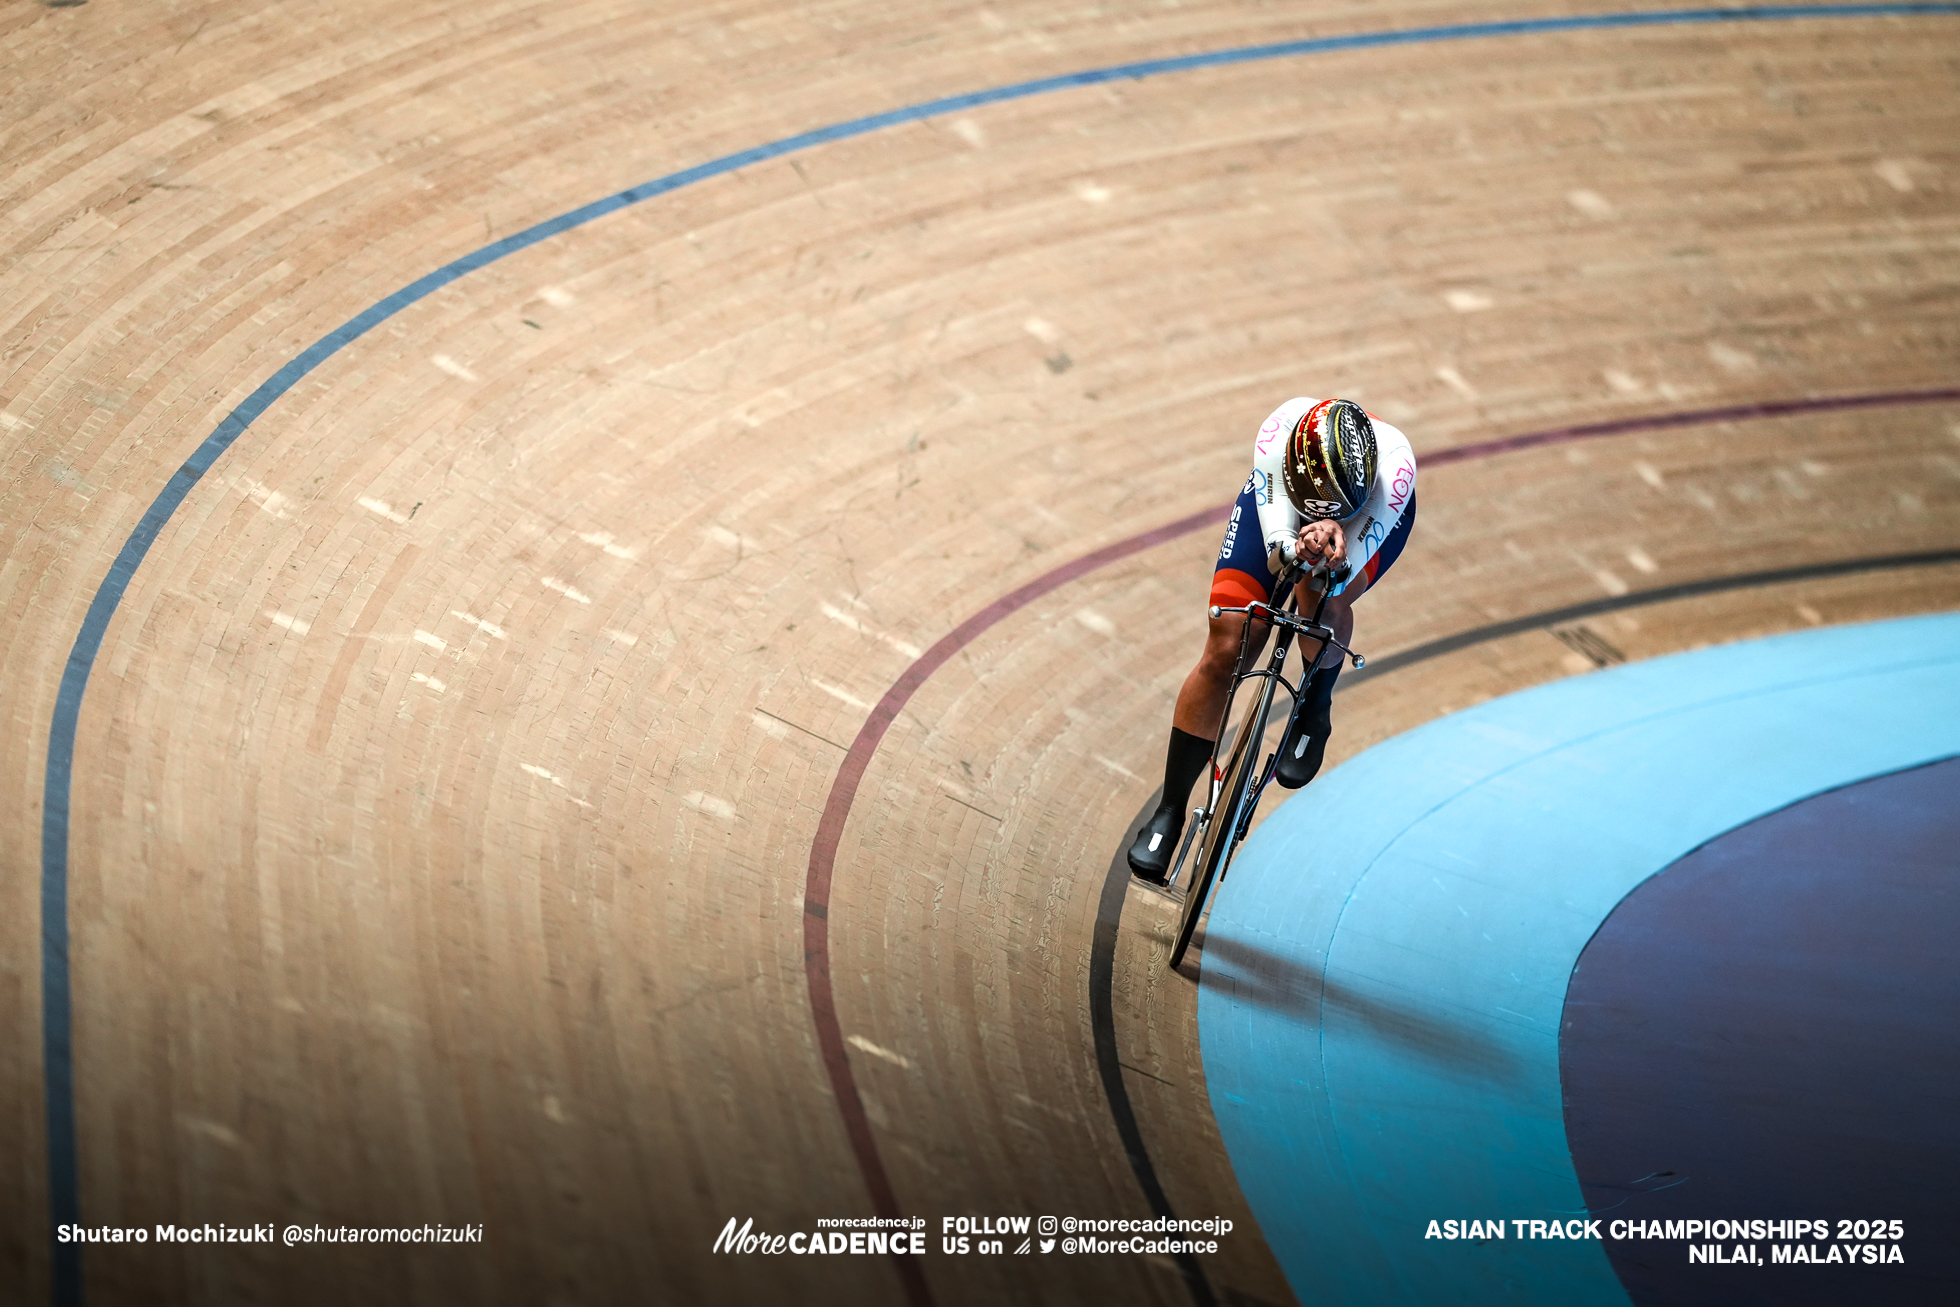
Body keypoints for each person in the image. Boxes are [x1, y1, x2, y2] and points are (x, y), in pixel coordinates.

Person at [1127, 397, 1417, 884]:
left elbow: (1338, 575)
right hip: (1279, 505)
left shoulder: (1394, 469)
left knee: (1322, 592)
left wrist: (1332, 552)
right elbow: (1278, 548)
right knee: (1229, 643)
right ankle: (1170, 810)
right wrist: (1294, 542)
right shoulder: (1276, 437)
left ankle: (1314, 705)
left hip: (1363, 519)